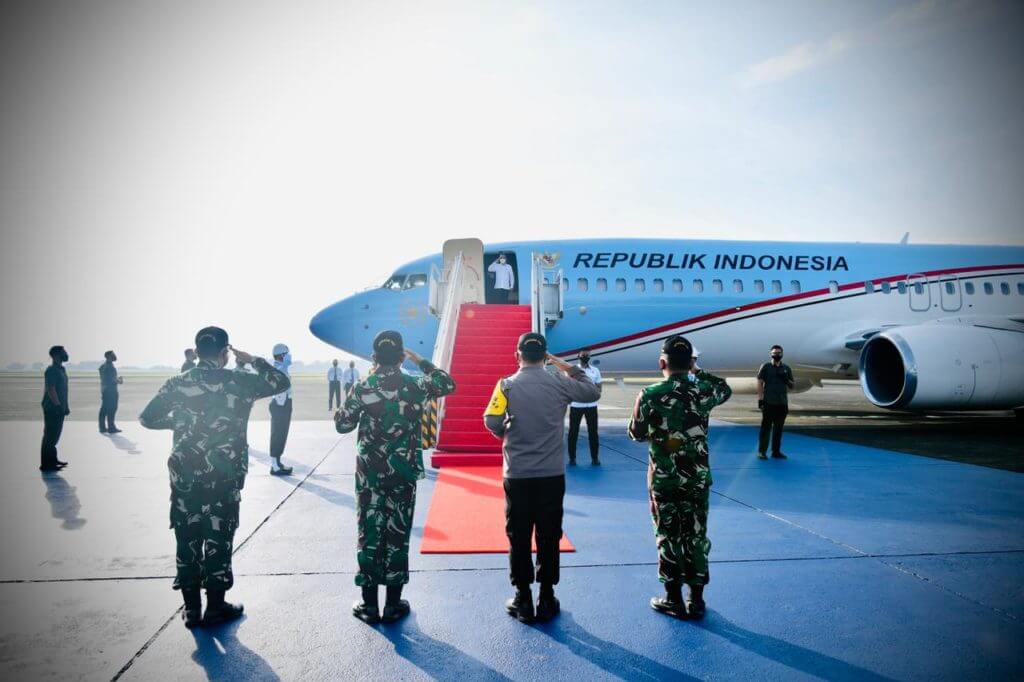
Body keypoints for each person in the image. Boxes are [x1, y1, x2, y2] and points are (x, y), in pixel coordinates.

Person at [139, 326, 289, 629]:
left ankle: (192, 609)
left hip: (185, 472)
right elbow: (280, 381)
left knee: (187, 534)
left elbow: (147, 418)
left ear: (196, 351)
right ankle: (216, 607)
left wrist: (180, 424)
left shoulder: (177, 383)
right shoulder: (239, 381)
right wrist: (252, 360)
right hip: (224, 473)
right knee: (219, 534)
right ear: (224, 353)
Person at [334, 330, 455, 624]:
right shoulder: (415, 385)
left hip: (370, 476)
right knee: (397, 535)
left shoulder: (364, 386)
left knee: (369, 533)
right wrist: (421, 361)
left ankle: (369, 605)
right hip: (402, 473)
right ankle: (392, 604)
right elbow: (447, 383)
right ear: (401, 357)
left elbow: (342, 425)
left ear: (374, 358)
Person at [484, 333, 601, 624]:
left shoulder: (506, 386)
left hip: (518, 475)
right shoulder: (559, 382)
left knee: (519, 535)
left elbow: (491, 420)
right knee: (549, 535)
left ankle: (523, 598)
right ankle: (546, 596)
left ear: (517, 354)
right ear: (545, 356)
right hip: (551, 474)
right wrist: (563, 365)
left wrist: (504, 432)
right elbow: (592, 391)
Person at [628, 335, 731, 620]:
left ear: (662, 362)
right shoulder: (702, 392)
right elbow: (725, 388)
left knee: (668, 535)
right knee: (696, 535)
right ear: (691, 363)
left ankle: (673, 599)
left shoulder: (649, 394)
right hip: (697, 478)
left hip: (665, 479)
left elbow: (636, 434)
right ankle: (696, 600)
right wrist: (697, 371)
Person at [756, 344, 794, 460]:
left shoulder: (786, 368)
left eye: (779, 353)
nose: (777, 355)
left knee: (778, 429)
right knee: (765, 429)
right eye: (774, 353)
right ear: (770, 354)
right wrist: (760, 399)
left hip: (782, 403)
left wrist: (786, 379)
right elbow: (760, 383)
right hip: (769, 402)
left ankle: (776, 451)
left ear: (782, 354)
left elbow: (792, 386)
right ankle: (762, 452)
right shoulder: (766, 367)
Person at [567, 349, 602, 466]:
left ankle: (595, 458)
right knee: (573, 432)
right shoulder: (572, 370)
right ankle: (572, 458)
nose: (585, 357)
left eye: (587, 355)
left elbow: (599, 387)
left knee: (593, 433)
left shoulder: (595, 370)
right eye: (583, 355)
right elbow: (568, 386)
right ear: (578, 356)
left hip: (591, 406)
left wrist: (594, 396)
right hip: (576, 405)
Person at [40, 345, 70, 472]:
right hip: (52, 408)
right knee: (50, 436)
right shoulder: (51, 370)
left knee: (55, 436)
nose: (66, 354)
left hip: (59, 407)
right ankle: (46, 464)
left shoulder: (61, 369)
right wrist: (57, 405)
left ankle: (53, 460)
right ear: (56, 355)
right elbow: (51, 389)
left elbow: (63, 390)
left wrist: (66, 406)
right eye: (64, 352)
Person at [268, 343, 294, 476]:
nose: (290, 356)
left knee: (281, 434)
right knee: (278, 434)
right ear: (282, 355)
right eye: (287, 353)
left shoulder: (281, 367)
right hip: (280, 404)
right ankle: (275, 466)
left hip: (283, 403)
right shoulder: (278, 369)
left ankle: (277, 463)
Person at [98, 350, 124, 434]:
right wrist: (119, 380)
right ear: (109, 356)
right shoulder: (110, 367)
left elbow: (104, 379)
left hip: (105, 391)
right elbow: (111, 380)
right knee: (112, 409)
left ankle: (102, 427)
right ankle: (111, 428)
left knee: (104, 409)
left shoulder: (102, 366)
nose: (115, 356)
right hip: (111, 391)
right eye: (113, 355)